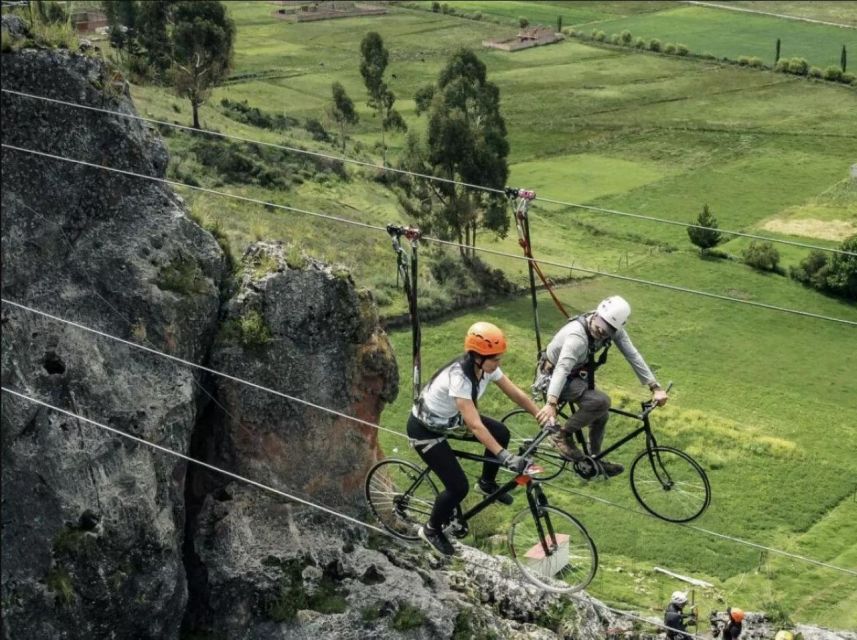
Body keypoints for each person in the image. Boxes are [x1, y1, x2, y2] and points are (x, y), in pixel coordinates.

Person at [408, 321, 547, 556]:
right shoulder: (459, 377)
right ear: (477, 356)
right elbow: (475, 424)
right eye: (495, 359)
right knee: (457, 487)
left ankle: (486, 483)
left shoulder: (485, 368)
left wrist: (540, 415)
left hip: (451, 421)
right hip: (426, 430)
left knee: (501, 432)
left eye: (498, 358)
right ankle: (431, 530)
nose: (498, 363)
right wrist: (505, 457)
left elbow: (515, 393)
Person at [535, 295, 668, 476]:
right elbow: (562, 368)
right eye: (601, 326)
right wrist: (551, 404)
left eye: (608, 331)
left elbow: (633, 355)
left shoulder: (614, 330)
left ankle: (594, 459)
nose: (602, 332)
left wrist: (654, 386)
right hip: (553, 378)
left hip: (575, 376)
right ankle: (560, 435)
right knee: (601, 401)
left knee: (601, 415)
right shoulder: (577, 337)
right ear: (596, 314)